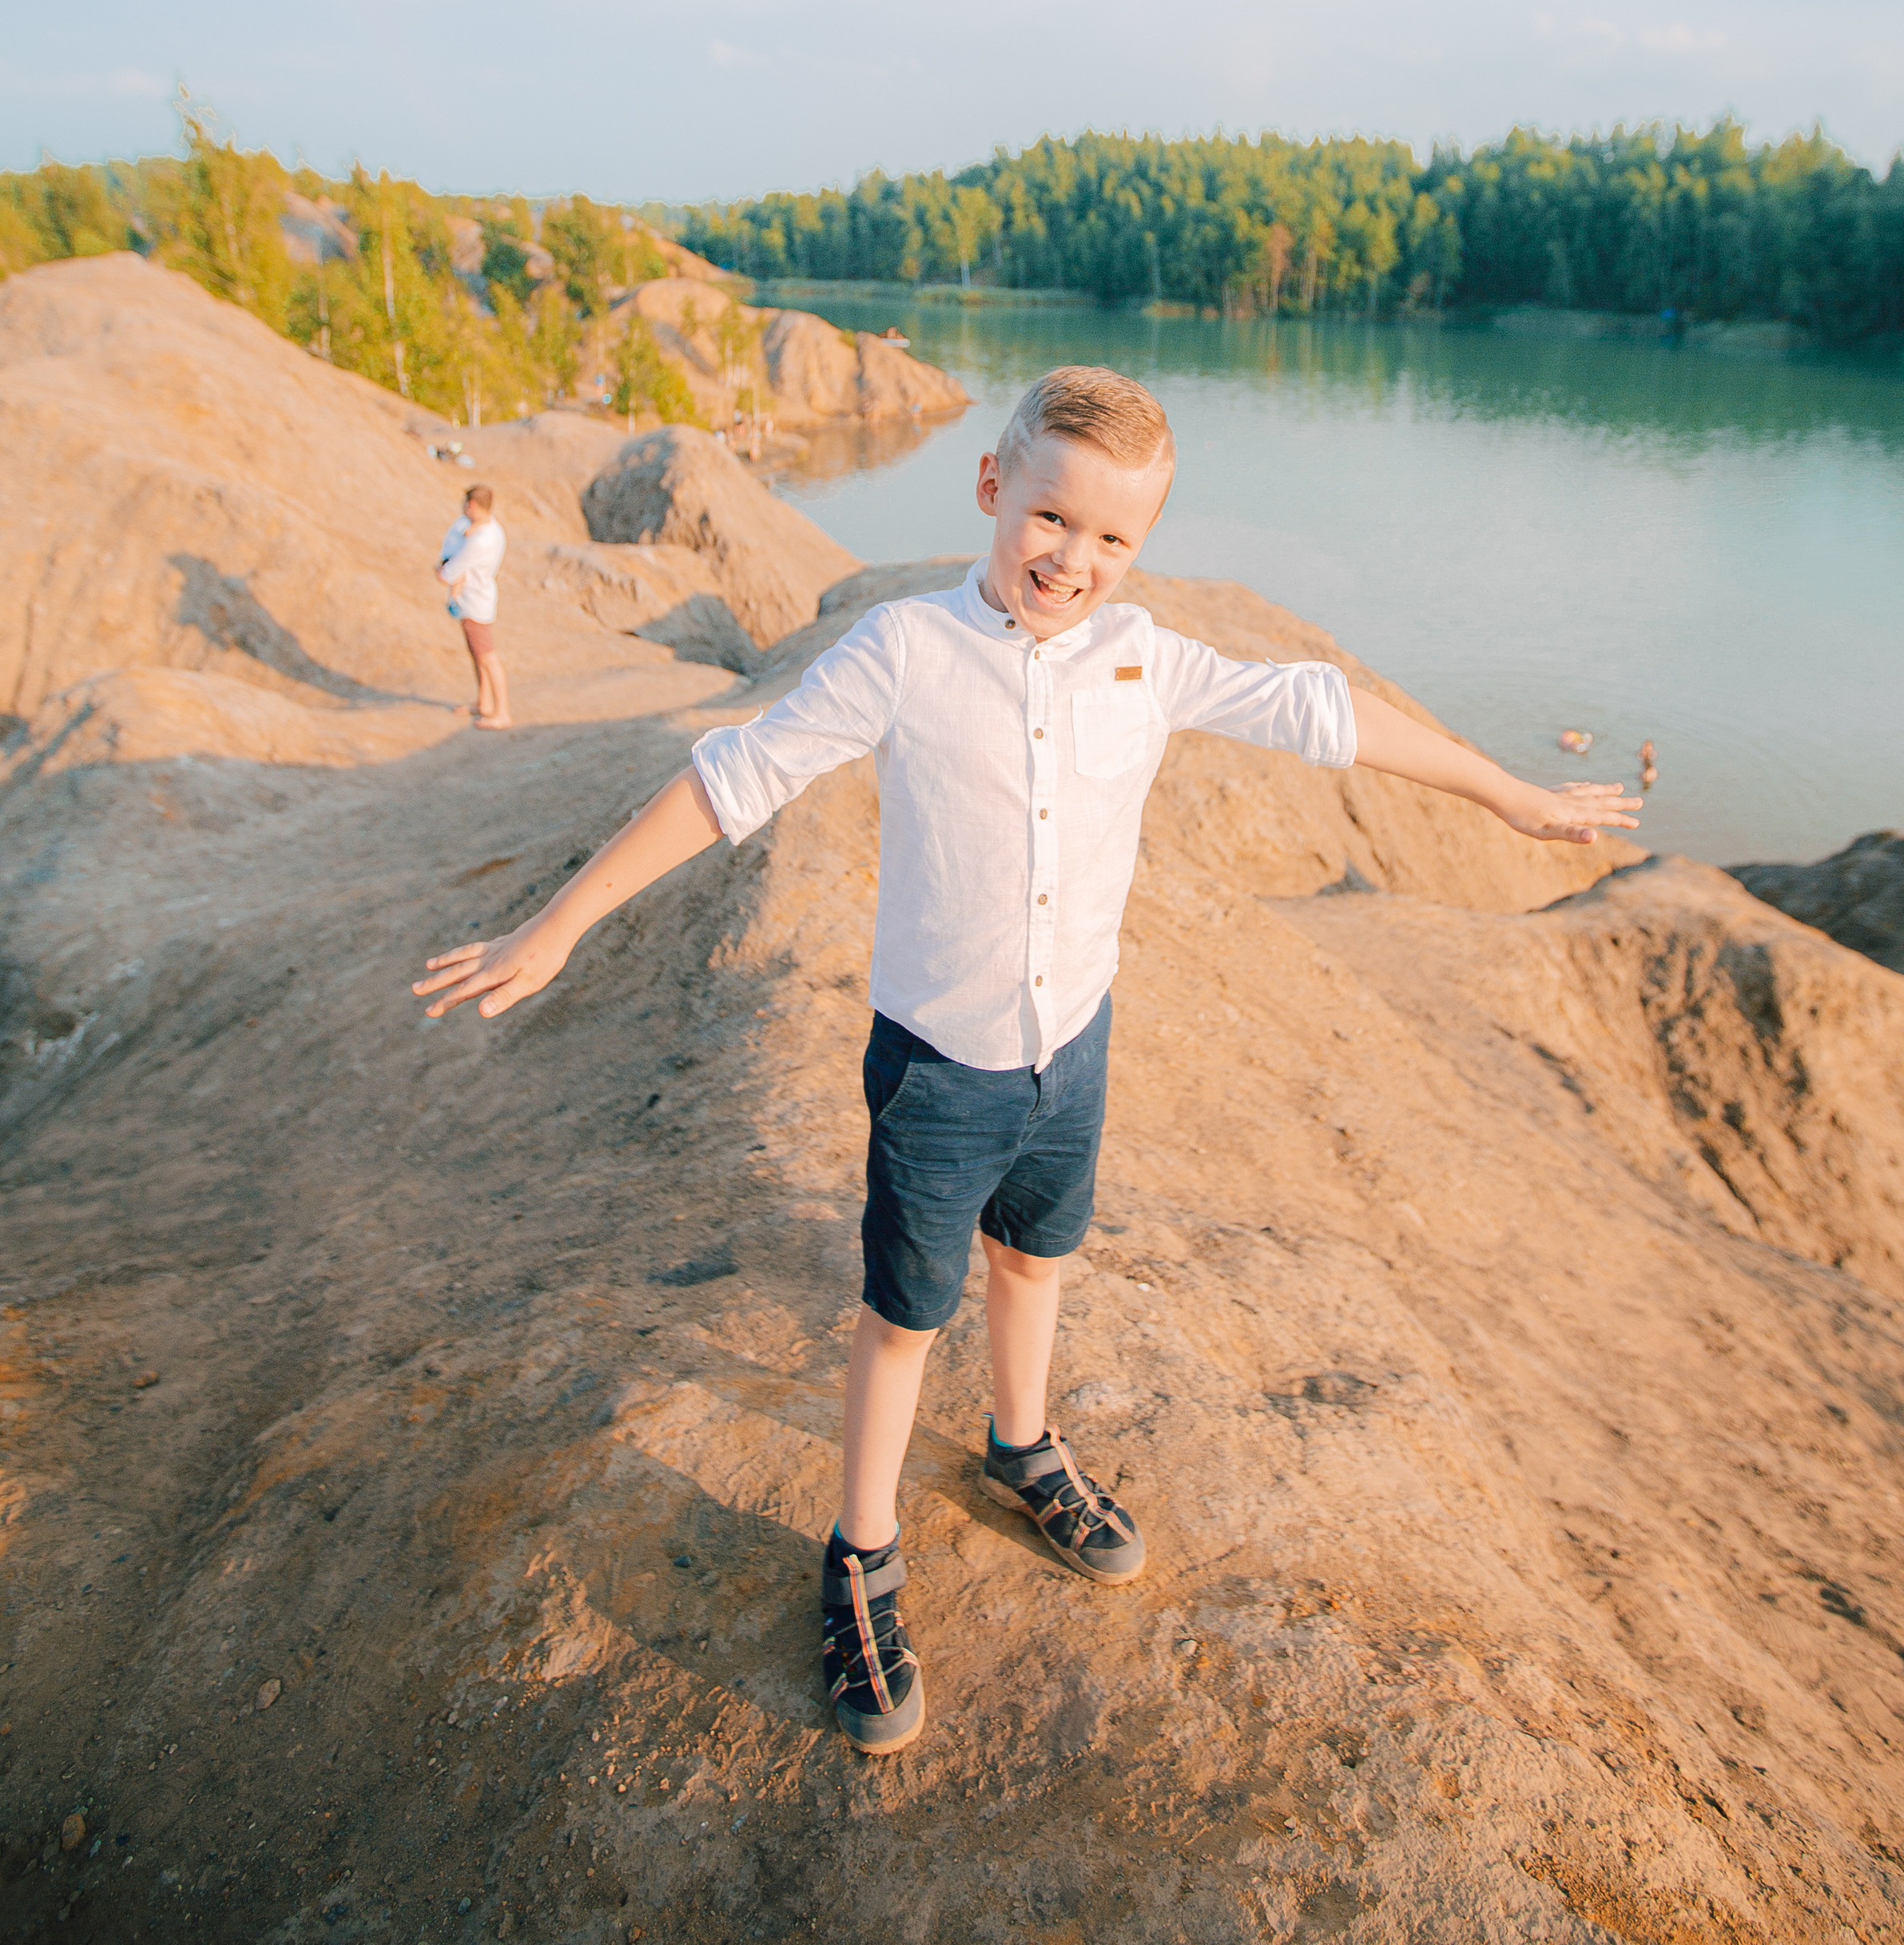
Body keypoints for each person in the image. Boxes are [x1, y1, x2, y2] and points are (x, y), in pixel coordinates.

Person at [412, 368, 1639, 1755]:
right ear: (995, 489)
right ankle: (860, 1551)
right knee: (902, 1313)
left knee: (1037, 1260)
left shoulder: (1145, 659)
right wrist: (563, 919)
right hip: (940, 1068)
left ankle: (1022, 1444)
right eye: (1053, 516)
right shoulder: (904, 652)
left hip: (1074, 1047)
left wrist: (1512, 794)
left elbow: (1325, 712)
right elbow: (735, 776)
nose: (1076, 558)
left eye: (1115, 539)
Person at [438, 481, 511, 730]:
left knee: (488, 657)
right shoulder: (488, 529)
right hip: (476, 599)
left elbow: (451, 571)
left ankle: (502, 712)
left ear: (471, 505)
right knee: (478, 655)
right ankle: (485, 702)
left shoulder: (480, 539)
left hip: (475, 601)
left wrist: (443, 570)